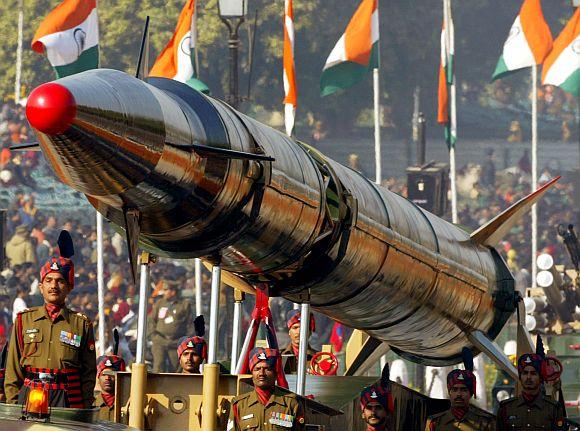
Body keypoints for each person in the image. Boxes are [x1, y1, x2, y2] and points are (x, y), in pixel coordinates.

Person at [4, 250, 97, 408]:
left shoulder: (81, 324)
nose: (54, 286)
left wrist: (84, 409)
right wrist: (13, 405)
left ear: (68, 287)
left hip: (66, 399)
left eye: (60, 281)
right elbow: (13, 370)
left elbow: (88, 374)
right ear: (41, 287)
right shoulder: (23, 320)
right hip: (30, 395)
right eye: (49, 280)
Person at [228, 347, 305, 431]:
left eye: (267, 369)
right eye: (257, 369)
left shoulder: (291, 403)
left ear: (275, 374)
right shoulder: (239, 405)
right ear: (252, 374)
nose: (261, 373)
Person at [496, 353, 566, 431]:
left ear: (540, 377)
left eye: (533, 373)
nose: (528, 377)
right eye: (525, 373)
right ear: (520, 376)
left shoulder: (553, 408)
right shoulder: (506, 408)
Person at [425, 368, 493, 430]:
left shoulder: (485, 423)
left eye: (464, 390)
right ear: (449, 393)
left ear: (470, 394)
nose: (459, 394)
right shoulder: (434, 422)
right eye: (454, 390)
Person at [148, 281, 194, 372]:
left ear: (173, 292)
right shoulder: (159, 303)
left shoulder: (184, 305)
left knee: (176, 368)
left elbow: (190, 324)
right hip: (160, 340)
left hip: (176, 342)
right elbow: (151, 321)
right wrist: (154, 336)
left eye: (166, 290)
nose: (164, 292)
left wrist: (185, 341)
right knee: (158, 365)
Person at [281, 310, 317, 374]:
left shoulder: (318, 358)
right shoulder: (279, 356)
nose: (299, 332)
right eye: (295, 328)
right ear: (289, 332)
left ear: (310, 332)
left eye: (303, 328)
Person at [94, 353, 126, 421]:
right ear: (98, 377)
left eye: (112, 374)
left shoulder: (127, 404)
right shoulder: (91, 404)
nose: (107, 378)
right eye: (104, 374)